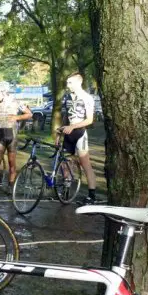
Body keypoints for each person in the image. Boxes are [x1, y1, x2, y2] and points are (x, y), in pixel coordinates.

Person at [0, 81, 32, 187]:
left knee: (12, 163)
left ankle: (11, 187)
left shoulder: (16, 102)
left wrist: (17, 117)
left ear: (4, 92)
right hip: (0, 136)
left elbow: (29, 114)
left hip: (12, 136)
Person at [61, 73, 98, 204]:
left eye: (70, 82)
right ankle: (65, 192)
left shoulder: (87, 98)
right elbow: (65, 116)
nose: (67, 85)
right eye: (67, 82)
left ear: (78, 82)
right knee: (65, 163)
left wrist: (74, 126)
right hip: (68, 133)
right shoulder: (67, 97)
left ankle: (92, 195)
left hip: (80, 133)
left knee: (85, 164)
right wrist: (61, 132)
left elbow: (89, 120)